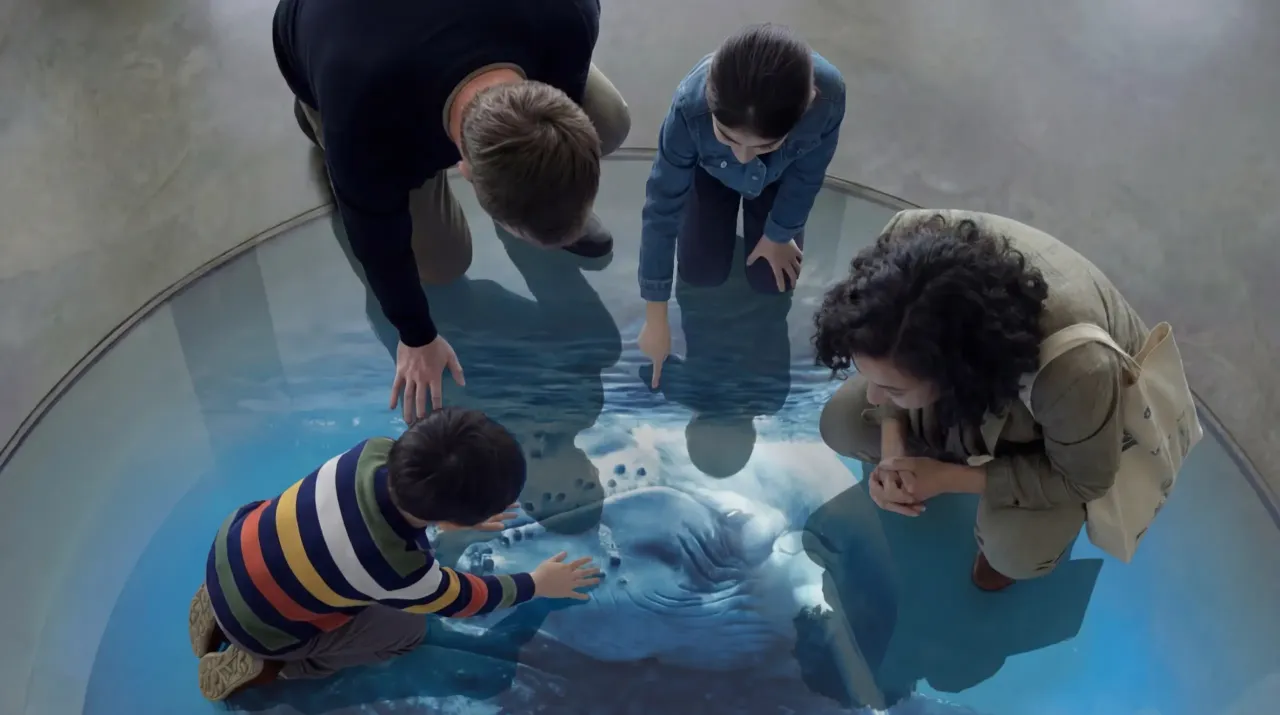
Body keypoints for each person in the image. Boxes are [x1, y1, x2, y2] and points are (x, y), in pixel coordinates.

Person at [273, 0, 632, 422]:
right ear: (467, 172)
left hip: (470, 37)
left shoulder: (569, 15)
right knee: (441, 265)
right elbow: (372, 229)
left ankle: (535, 202)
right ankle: (318, 125)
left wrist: (551, 182)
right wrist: (416, 336)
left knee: (610, 120)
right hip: (340, 44)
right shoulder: (363, 112)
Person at [814, 210, 1150, 591]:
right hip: (980, 367)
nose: (873, 396)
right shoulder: (894, 257)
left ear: (955, 375)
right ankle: (932, 442)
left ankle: (1011, 545)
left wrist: (949, 478)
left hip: (1068, 409)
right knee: (843, 421)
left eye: (892, 389)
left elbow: (1085, 479)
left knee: (1015, 549)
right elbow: (890, 365)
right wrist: (895, 450)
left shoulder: (1077, 371)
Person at [187, 407, 600, 701]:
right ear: (453, 521)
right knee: (408, 631)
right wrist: (536, 583)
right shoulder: (400, 569)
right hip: (268, 632)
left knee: (287, 529)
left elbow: (388, 506)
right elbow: (465, 600)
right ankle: (277, 666)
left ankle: (219, 603)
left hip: (227, 552)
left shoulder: (369, 452)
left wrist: (454, 516)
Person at [636, 23, 845, 387]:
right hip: (708, 173)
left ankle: (751, 230)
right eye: (727, 136)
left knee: (773, 282)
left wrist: (780, 233)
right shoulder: (689, 106)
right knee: (700, 274)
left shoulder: (827, 100)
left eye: (764, 144)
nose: (743, 157)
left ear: (809, 103)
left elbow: (807, 176)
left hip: (778, 177)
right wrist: (655, 318)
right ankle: (724, 238)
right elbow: (661, 207)